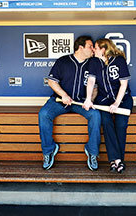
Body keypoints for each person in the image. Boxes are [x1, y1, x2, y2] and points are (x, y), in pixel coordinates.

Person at [38, 35, 100, 171]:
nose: (93, 50)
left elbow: (95, 88)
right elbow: (51, 81)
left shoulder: (93, 63)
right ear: (80, 47)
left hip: (81, 103)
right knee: (43, 114)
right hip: (60, 101)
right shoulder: (63, 61)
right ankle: (49, 151)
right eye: (90, 46)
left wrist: (91, 101)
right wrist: (64, 95)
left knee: (95, 116)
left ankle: (92, 152)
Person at [83, 38, 133, 173]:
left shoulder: (119, 60)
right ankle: (116, 161)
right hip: (103, 100)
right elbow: (91, 81)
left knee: (121, 125)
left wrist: (117, 103)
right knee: (106, 122)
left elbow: (124, 84)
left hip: (123, 99)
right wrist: (88, 99)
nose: (93, 50)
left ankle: (116, 160)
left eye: (96, 48)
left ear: (103, 50)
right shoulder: (94, 62)